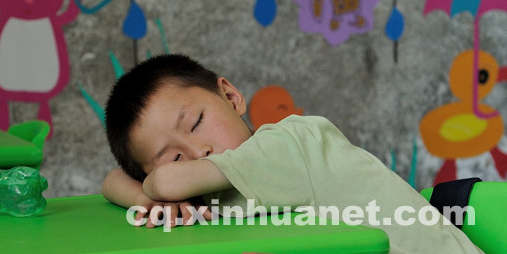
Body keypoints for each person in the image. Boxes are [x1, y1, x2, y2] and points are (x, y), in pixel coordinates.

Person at [102, 54, 481, 254]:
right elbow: (112, 180)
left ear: (231, 97)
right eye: (175, 156)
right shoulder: (208, 189)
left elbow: (165, 179)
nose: (197, 150)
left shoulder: (291, 144)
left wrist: (162, 181)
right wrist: (145, 199)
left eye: (197, 121)